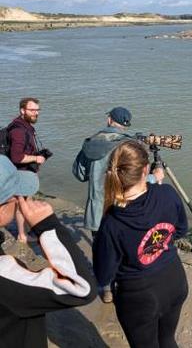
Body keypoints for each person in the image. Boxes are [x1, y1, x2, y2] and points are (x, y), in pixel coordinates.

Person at [94, 140, 188, 348]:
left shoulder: (111, 223)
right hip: (174, 279)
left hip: (138, 296)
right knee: (167, 339)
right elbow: (180, 230)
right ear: (146, 170)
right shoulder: (168, 193)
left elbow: (103, 275)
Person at [0, 155, 97, 348]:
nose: (22, 201)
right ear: (2, 210)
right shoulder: (4, 271)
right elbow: (82, 289)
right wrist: (47, 225)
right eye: (18, 197)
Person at [73, 107, 162, 234]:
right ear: (126, 125)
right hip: (123, 213)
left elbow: (79, 174)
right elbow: (135, 181)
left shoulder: (91, 142)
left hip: (97, 214)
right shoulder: (129, 147)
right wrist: (154, 177)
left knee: (100, 250)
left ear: (109, 120)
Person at [6, 97, 51, 243]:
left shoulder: (23, 124)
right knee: (22, 202)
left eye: (37, 110)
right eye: (32, 110)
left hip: (24, 171)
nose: (36, 113)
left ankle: (23, 232)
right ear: (22, 110)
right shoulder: (19, 130)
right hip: (21, 171)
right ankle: (21, 235)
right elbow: (17, 157)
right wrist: (36, 159)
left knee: (24, 200)